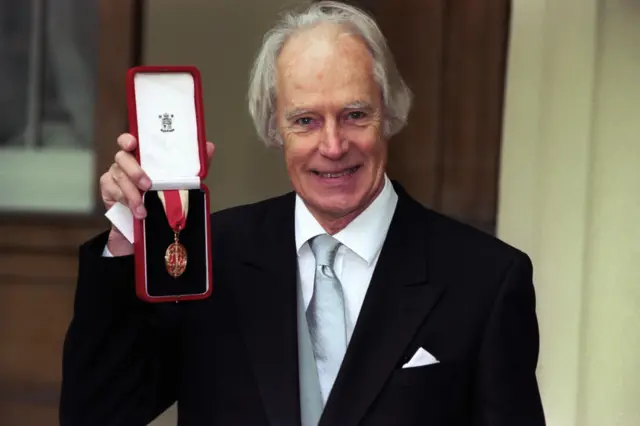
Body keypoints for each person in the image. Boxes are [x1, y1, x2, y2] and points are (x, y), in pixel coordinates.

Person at [59, 2, 546, 425]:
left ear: (390, 113)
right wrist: (127, 234)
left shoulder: (486, 280)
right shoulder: (210, 254)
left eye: (355, 114)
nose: (332, 146)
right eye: (306, 121)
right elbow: (97, 414)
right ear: (275, 128)